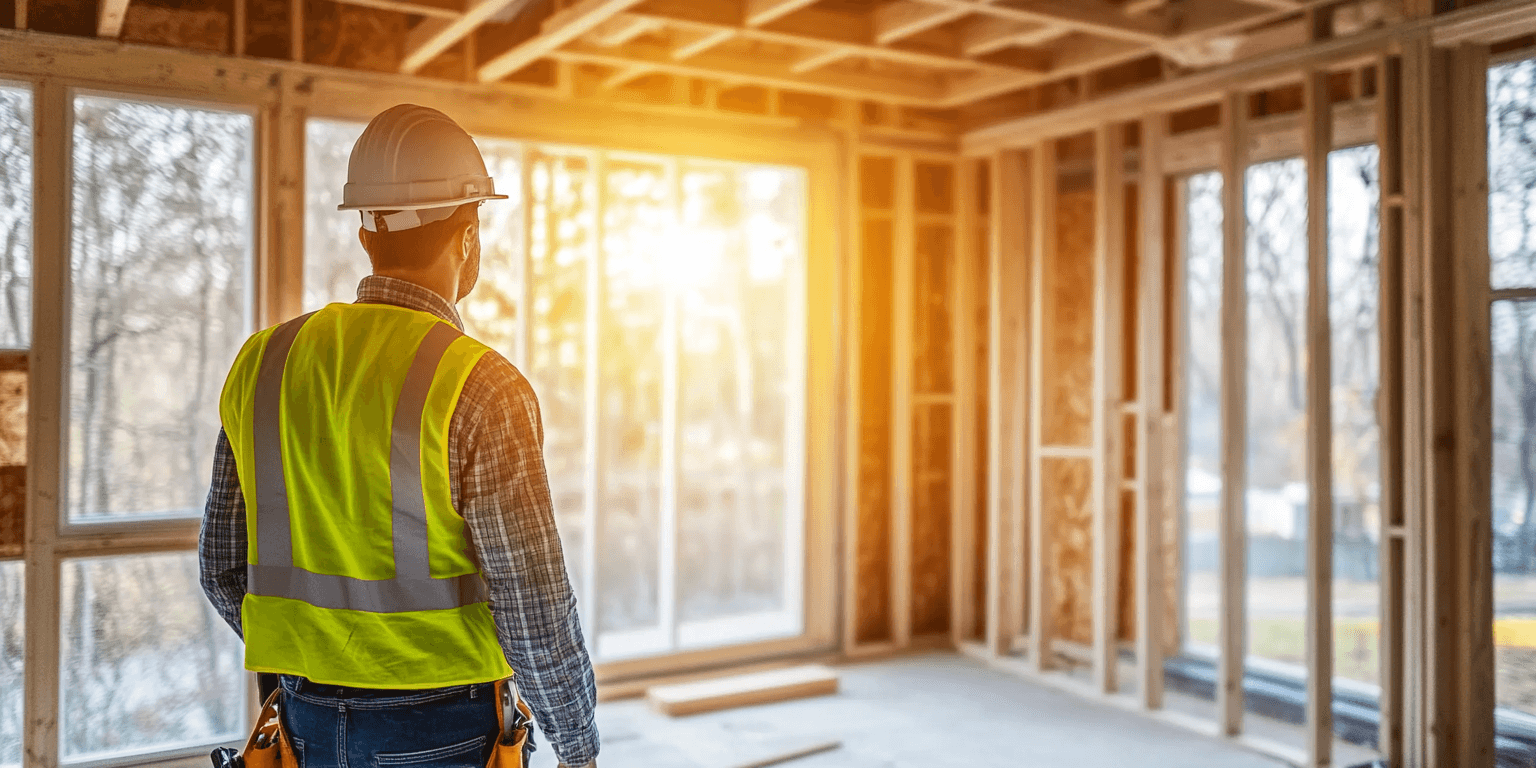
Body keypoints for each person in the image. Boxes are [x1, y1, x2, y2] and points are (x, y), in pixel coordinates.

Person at [198, 104, 599, 768]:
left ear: (365, 234)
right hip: (447, 732)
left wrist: (320, 655)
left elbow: (222, 569)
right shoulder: (480, 385)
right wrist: (579, 749)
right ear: (467, 235)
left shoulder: (263, 364)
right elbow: (532, 609)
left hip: (301, 723)